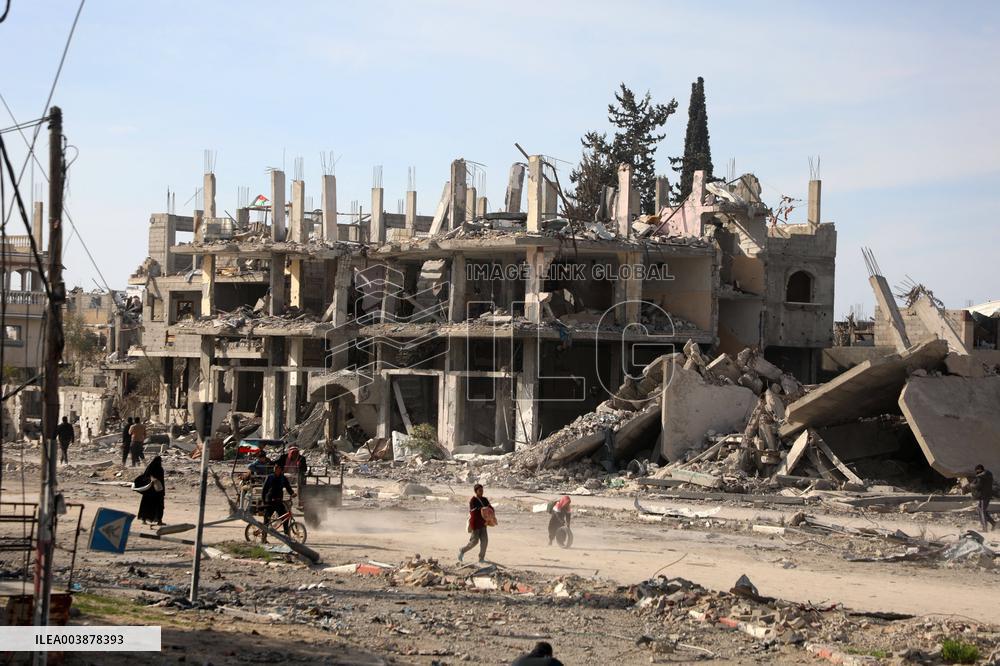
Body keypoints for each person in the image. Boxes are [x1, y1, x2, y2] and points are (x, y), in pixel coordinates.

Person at [458, 483, 493, 564]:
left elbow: (490, 508)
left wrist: (490, 511)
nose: (481, 492)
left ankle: (481, 558)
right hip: (475, 524)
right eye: (480, 491)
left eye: (482, 490)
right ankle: (462, 550)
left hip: (483, 524)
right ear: (476, 491)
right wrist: (482, 509)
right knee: (474, 542)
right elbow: (473, 512)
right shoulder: (473, 500)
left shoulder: (485, 499)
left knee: (485, 541)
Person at [261, 463, 295, 542]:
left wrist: (292, 493)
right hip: (270, 501)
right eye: (275, 468)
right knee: (267, 520)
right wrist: (264, 501)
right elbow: (264, 490)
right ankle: (263, 538)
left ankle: (287, 537)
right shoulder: (270, 477)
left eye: (278, 468)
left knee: (285, 518)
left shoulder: (283, 478)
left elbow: (288, 487)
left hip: (279, 501)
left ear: (280, 470)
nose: (276, 470)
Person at [137, 456, 166, 525]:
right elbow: (162, 481)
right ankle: (159, 521)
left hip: (149, 491)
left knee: (146, 505)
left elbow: (144, 477)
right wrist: (163, 491)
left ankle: (144, 519)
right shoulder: (160, 469)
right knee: (159, 506)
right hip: (158, 492)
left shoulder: (149, 468)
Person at [970, 464, 996, 531]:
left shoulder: (982, 476)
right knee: (979, 509)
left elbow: (978, 486)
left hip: (984, 496)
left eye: (977, 471)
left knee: (982, 511)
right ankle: (993, 523)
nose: (977, 472)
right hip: (987, 495)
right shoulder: (988, 474)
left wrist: (972, 485)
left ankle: (984, 528)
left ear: (979, 469)